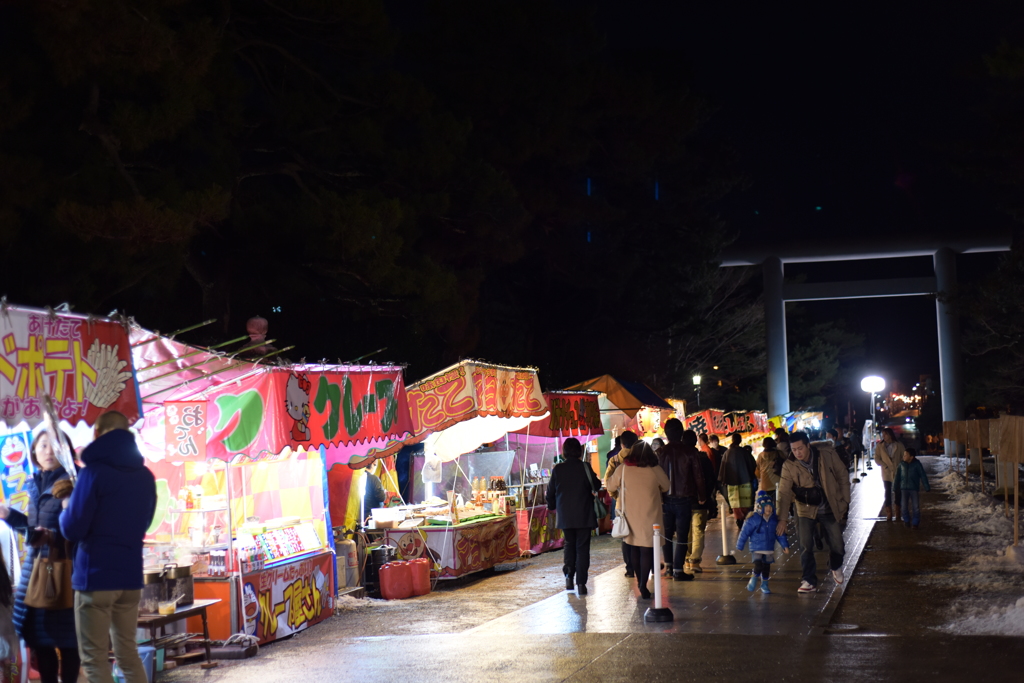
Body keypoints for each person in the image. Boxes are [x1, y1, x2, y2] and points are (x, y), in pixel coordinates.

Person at [59, 411, 157, 683]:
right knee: (128, 654)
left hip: (96, 578)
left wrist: (66, 506)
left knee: (94, 659)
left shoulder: (93, 473)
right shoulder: (145, 476)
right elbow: (145, 522)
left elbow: (73, 528)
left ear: (97, 434)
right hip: (130, 577)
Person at [0, 429, 80, 683]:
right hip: (35, 573)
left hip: (63, 573)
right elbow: (34, 527)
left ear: (65, 452)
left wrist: (53, 537)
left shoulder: (72, 484)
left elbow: (78, 529)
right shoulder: (35, 483)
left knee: (68, 643)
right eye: (43, 445)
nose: (48, 451)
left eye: (55, 446)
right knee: (39, 641)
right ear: (33, 451)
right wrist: (9, 515)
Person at [776, 431, 851, 594]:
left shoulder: (826, 455)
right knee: (805, 546)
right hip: (804, 508)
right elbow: (784, 493)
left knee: (838, 545)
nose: (797, 453)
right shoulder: (789, 465)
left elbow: (842, 475)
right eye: (793, 449)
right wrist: (782, 519)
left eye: (800, 448)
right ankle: (808, 580)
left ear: (808, 445)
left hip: (829, 506)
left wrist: (845, 501)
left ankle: (835, 565)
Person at [605, 440, 669, 600]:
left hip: (630, 516)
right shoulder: (655, 469)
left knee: (633, 548)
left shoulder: (623, 469)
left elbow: (610, 486)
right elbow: (667, 486)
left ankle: (640, 581)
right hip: (651, 516)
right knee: (647, 550)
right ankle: (643, 584)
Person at [546, 438, 600, 595]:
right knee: (582, 549)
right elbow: (596, 485)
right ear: (579, 451)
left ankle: (569, 576)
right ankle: (581, 584)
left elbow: (550, 493)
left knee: (569, 545)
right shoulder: (585, 467)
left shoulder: (557, 470)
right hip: (584, 514)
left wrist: (552, 506)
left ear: (564, 451)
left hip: (566, 515)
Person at [656, 420, 706, 581]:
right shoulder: (690, 452)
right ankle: (678, 569)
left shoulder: (660, 452)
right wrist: (702, 496)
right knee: (682, 535)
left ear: (666, 433)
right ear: (681, 432)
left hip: (664, 499)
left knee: (667, 534)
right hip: (684, 498)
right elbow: (698, 476)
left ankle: (669, 566)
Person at [736, 490, 790, 594]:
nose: (768, 509)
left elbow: (779, 534)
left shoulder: (774, 520)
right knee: (758, 565)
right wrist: (740, 545)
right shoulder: (753, 519)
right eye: (766, 506)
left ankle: (764, 584)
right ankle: (754, 578)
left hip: (768, 548)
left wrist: (785, 545)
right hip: (756, 548)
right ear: (760, 507)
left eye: (770, 506)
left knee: (766, 567)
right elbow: (744, 533)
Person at [686, 430, 719, 574]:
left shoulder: (681, 458)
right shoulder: (703, 458)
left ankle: (687, 560)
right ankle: (694, 561)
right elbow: (712, 479)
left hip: (684, 502)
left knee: (686, 531)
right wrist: (706, 495)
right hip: (701, 501)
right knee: (698, 531)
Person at [605, 432, 636, 578]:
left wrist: (616, 496)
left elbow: (608, 484)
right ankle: (643, 564)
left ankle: (629, 568)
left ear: (622, 444)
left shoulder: (614, 460)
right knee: (641, 533)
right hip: (639, 502)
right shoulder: (643, 458)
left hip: (622, 504)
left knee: (625, 535)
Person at [719, 433, 757, 530]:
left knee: (735, 503)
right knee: (746, 503)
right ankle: (746, 520)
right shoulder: (745, 453)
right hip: (745, 481)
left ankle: (738, 520)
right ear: (740, 441)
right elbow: (752, 465)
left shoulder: (727, 453)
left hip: (732, 484)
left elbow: (723, 469)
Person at [892, 447, 930, 529]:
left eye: (906, 455)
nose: (904, 456)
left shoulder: (917, 464)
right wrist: (895, 487)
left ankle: (915, 522)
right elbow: (897, 477)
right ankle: (906, 520)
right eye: (904, 455)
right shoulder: (901, 464)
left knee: (915, 507)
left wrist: (926, 486)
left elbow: (923, 475)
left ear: (911, 457)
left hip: (914, 488)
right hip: (903, 489)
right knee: (904, 506)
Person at [874, 428, 906, 522]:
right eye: (883, 434)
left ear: (890, 435)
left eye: (885, 434)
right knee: (887, 491)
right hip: (886, 472)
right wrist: (884, 465)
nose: (884, 436)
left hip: (897, 471)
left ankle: (898, 512)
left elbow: (903, 457)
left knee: (898, 492)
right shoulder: (880, 446)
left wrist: (901, 467)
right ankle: (889, 513)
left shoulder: (899, 445)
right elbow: (877, 458)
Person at [755, 436, 784, 503]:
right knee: (778, 503)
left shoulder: (760, 456)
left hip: (765, 484)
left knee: (768, 504)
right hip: (778, 482)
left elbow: (757, 470)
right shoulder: (779, 453)